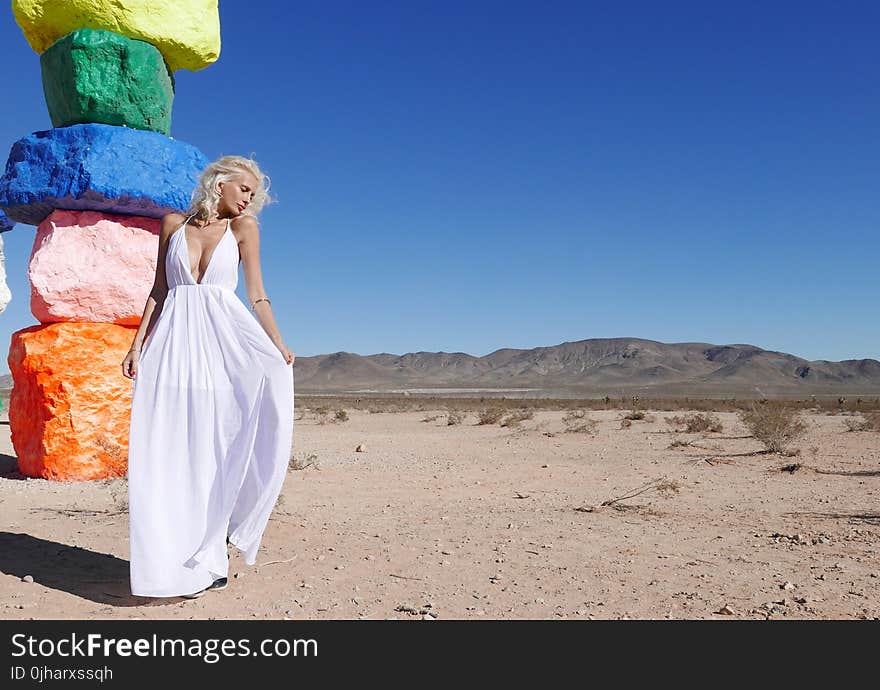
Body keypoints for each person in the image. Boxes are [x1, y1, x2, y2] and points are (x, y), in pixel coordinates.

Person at [121, 155, 295, 599]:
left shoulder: (244, 230)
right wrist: (137, 344)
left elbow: (257, 295)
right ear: (220, 185)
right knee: (167, 452)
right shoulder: (172, 224)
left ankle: (210, 556)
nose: (250, 200)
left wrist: (277, 344)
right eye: (245, 190)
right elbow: (159, 290)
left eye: (255, 194)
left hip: (223, 351)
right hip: (171, 351)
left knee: (214, 452)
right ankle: (166, 563)